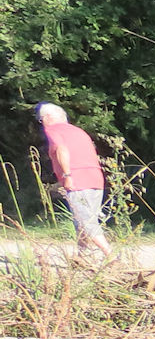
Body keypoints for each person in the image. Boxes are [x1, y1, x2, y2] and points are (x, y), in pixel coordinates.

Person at [34, 102, 113, 257]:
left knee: (85, 220)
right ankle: (82, 256)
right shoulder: (78, 131)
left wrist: (67, 175)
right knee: (82, 220)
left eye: (41, 119)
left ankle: (111, 256)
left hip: (78, 179)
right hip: (96, 178)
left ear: (48, 117)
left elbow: (61, 149)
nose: (42, 123)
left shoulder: (53, 130)